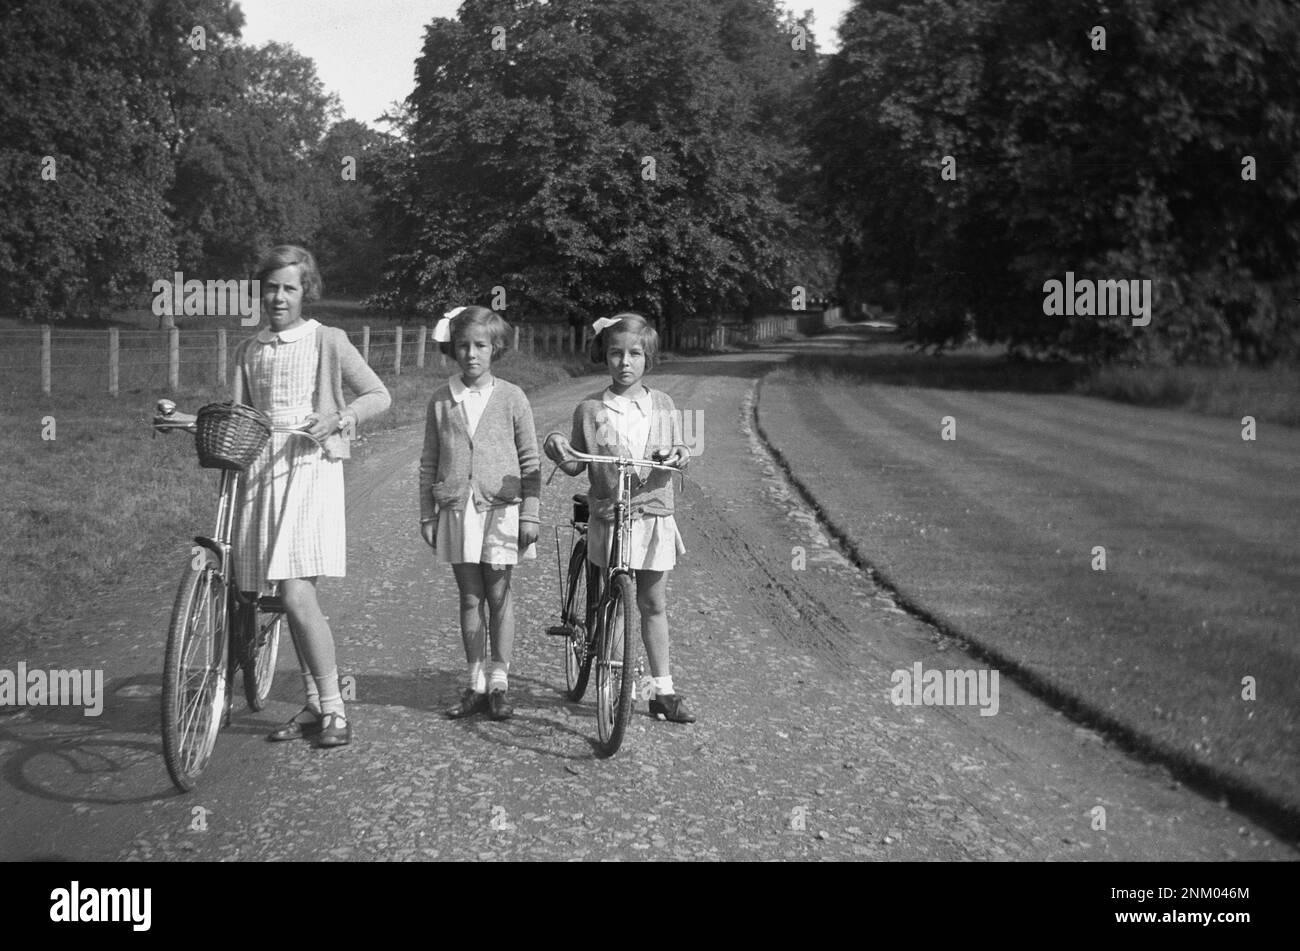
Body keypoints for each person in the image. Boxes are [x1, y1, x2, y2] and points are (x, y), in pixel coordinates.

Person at [233, 245, 391, 749]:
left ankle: (337, 710)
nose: (278, 297)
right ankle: (312, 706)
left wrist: (339, 419)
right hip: (261, 473)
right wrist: (186, 420)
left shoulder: (328, 339)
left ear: (306, 292)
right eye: (271, 287)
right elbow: (238, 417)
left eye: (289, 288)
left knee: (298, 594)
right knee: (280, 596)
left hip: (310, 467)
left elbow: (378, 395)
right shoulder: (248, 350)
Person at [542, 312, 696, 723]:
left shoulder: (662, 403)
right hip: (610, 517)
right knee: (613, 601)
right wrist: (556, 445)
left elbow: (679, 447)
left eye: (634, 354)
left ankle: (662, 690)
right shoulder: (590, 409)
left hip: (652, 517)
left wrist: (681, 453)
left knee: (652, 602)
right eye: (615, 353)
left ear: (648, 359)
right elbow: (575, 462)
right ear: (604, 357)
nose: (625, 362)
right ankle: (613, 676)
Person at [418, 306, 540, 721]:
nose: (471, 354)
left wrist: (531, 514)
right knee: (470, 596)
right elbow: (428, 462)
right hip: (456, 509)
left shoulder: (511, 397)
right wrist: (427, 514)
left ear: (496, 348)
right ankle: (475, 681)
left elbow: (530, 461)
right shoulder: (441, 399)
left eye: (481, 346)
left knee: (499, 593)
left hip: (503, 509)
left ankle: (501, 681)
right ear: (453, 348)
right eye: (463, 345)